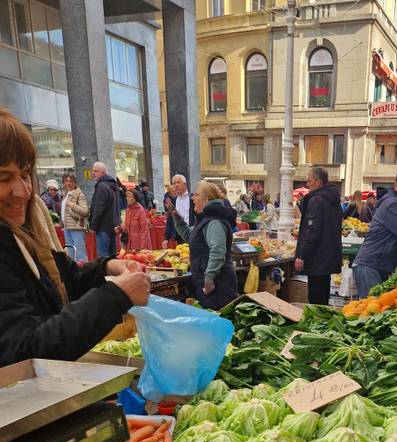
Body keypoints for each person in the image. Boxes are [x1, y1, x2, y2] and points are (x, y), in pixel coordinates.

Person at [0, 107, 149, 366]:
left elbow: (66, 279)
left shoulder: (27, 231)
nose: (23, 191)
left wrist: (108, 267)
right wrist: (115, 296)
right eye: (4, 178)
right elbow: (24, 353)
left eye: (25, 175)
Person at [166, 180, 238, 310]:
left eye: (196, 195)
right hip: (207, 282)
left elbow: (218, 251)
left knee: (217, 321)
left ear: (205, 199)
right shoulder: (205, 219)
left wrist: (209, 278)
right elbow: (191, 237)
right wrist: (176, 217)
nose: (193, 198)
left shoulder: (214, 222)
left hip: (218, 285)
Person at [352, 168, 397, 297]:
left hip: (379, 265)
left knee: (377, 309)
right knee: (371, 310)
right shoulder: (391, 205)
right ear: (396, 186)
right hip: (370, 265)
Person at [294, 166, 343, 305]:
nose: (307, 184)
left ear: (318, 181)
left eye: (309, 181)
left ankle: (316, 324)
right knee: (323, 297)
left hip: (317, 258)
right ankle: (323, 324)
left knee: (315, 299)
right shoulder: (332, 199)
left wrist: (302, 255)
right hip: (327, 257)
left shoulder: (317, 200)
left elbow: (312, 230)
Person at [89, 162, 120, 258]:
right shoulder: (112, 185)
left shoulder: (102, 186)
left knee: (103, 257)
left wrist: (93, 226)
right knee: (112, 256)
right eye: (93, 170)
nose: (93, 173)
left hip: (103, 227)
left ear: (103, 173)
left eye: (96, 171)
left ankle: (106, 273)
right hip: (112, 226)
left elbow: (99, 208)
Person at [61, 173, 89, 262]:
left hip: (77, 227)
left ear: (75, 183)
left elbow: (85, 211)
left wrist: (72, 205)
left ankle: (84, 273)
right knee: (70, 253)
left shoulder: (79, 194)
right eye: (66, 181)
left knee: (80, 255)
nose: (68, 183)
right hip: (67, 227)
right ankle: (74, 273)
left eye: (71, 181)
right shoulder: (66, 193)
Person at [165, 174, 195, 245]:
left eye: (178, 182)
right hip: (179, 234)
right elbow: (170, 219)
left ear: (185, 184)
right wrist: (166, 238)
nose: (176, 185)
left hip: (192, 232)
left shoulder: (193, 198)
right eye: (174, 183)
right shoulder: (173, 200)